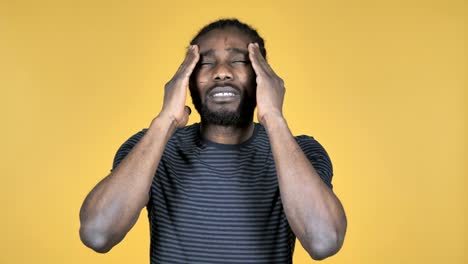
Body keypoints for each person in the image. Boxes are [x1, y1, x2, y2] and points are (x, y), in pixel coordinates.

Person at [79, 18, 347, 263]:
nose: (221, 72)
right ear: (189, 81)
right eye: (205, 63)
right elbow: (97, 234)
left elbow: (323, 241)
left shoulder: (301, 152)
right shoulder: (151, 148)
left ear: (263, 78)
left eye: (239, 61)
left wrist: (274, 117)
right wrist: (164, 122)